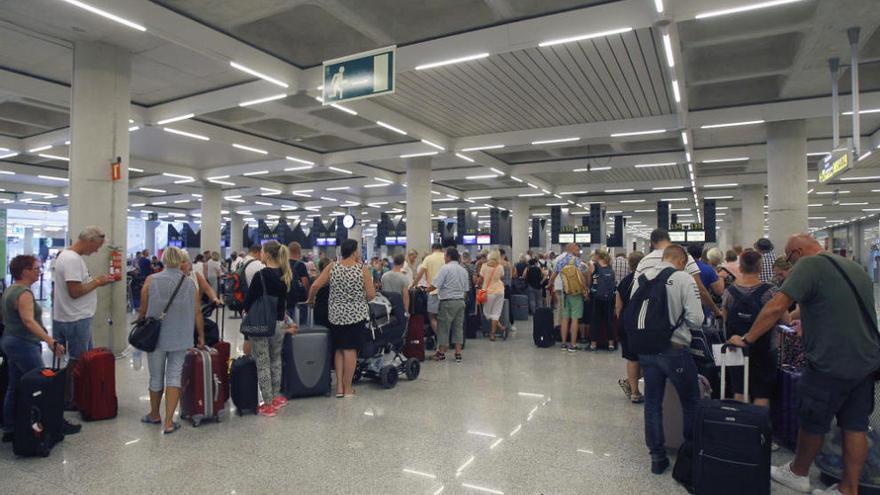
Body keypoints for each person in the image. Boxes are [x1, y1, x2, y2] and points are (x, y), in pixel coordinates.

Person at [729, 234, 880, 495]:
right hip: (866, 360)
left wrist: (747, 338)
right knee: (855, 424)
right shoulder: (853, 267)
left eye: (789, 259)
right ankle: (848, 488)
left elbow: (777, 307)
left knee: (812, 420)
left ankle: (798, 473)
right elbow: (833, 308)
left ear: (796, 253)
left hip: (830, 362)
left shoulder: (809, 265)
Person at [634, 244, 704, 474]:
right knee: (691, 401)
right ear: (681, 261)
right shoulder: (683, 278)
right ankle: (690, 453)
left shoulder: (642, 277)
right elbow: (696, 319)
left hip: (646, 349)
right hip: (674, 349)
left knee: (652, 404)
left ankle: (657, 457)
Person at [1, 255, 76, 443]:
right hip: (23, 343)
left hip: (10, 341)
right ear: (25, 270)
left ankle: (10, 427)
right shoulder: (24, 294)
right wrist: (50, 341)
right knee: (44, 383)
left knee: (15, 385)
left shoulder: (10, 290)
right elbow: (28, 321)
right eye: (36, 268)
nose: (39, 271)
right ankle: (55, 423)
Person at [138, 247, 203, 434]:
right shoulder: (189, 284)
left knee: (156, 376)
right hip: (180, 337)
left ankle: (154, 414)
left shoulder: (151, 280)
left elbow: (143, 309)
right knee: (174, 376)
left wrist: (143, 318)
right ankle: (168, 422)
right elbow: (195, 311)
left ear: (163, 260)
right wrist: (200, 335)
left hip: (155, 338)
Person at [52, 226, 115, 411]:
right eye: (96, 246)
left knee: (80, 359)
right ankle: (69, 398)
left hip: (68, 316)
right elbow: (75, 291)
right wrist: (97, 282)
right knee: (78, 361)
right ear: (90, 241)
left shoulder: (67, 256)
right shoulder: (72, 259)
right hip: (75, 318)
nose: (96, 251)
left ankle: (75, 395)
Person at [307, 239, 374, 398]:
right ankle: (348, 388)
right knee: (350, 349)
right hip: (356, 315)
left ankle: (339, 388)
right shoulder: (361, 269)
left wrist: (311, 300)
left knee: (339, 349)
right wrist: (357, 298)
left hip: (336, 315)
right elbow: (371, 295)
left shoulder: (332, 266)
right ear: (354, 252)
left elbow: (315, 285)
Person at [722, 250, 787, 407]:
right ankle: (759, 429)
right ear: (760, 268)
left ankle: (741, 427)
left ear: (741, 268)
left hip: (736, 347)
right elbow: (786, 319)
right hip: (765, 348)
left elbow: (725, 319)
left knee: (739, 390)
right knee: (762, 393)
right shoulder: (771, 291)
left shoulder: (729, 292)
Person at [243, 241, 298, 417]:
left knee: (263, 363)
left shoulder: (261, 276)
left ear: (266, 255)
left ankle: (267, 405)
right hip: (279, 324)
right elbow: (284, 303)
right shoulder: (285, 274)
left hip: (261, 323)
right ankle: (275, 397)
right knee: (276, 360)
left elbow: (248, 301)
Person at [634, 230, 720, 318]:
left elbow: (635, 292)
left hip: (650, 319)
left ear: (652, 243)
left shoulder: (644, 262)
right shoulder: (684, 256)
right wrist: (716, 311)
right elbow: (699, 289)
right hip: (680, 319)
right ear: (669, 239)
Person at [425, 247, 470, 362]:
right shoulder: (463, 270)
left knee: (443, 328)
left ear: (449, 257)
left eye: (445, 256)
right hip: (460, 302)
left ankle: (441, 353)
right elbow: (466, 289)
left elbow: (436, 285)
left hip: (447, 302)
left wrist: (425, 290)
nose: (444, 258)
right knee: (458, 328)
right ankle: (458, 354)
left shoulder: (445, 268)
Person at [615, 251, 645, 403]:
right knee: (647, 358)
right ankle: (631, 384)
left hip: (627, 322)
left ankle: (634, 392)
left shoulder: (624, 282)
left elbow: (618, 308)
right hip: (643, 323)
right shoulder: (647, 280)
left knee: (632, 358)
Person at [548, 243, 589, 353]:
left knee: (565, 319)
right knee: (575, 319)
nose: (578, 250)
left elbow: (552, 277)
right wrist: (586, 287)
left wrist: (550, 285)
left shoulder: (560, 261)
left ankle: (563, 343)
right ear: (571, 249)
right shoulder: (578, 261)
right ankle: (573, 344)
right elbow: (586, 272)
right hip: (576, 293)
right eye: (576, 248)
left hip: (564, 293)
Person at [587, 249, 616, 351]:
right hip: (609, 297)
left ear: (597, 256)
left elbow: (589, 280)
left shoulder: (593, 265)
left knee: (595, 320)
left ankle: (593, 344)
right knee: (609, 321)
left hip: (596, 297)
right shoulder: (610, 265)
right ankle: (611, 344)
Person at [415, 244, 446, 338]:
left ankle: (441, 339)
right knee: (444, 318)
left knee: (432, 317)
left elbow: (420, 274)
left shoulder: (428, 258)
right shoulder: (446, 257)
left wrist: (412, 284)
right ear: (441, 249)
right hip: (446, 293)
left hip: (433, 292)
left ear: (433, 249)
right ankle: (445, 339)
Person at [477, 250, 507, 341]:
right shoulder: (500, 267)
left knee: (486, 313)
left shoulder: (484, 266)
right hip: (500, 291)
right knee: (496, 313)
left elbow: (480, 279)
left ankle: (500, 328)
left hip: (488, 292)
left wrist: (478, 286)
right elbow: (501, 277)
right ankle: (493, 334)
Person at [687, 244, 723, 317]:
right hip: (703, 308)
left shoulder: (680, 268)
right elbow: (719, 291)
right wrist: (721, 276)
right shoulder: (708, 269)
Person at [286, 241, 311, 320]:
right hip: (299, 302)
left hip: (287, 300)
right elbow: (305, 283)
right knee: (300, 325)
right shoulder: (300, 265)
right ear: (299, 251)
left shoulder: (284, 264)